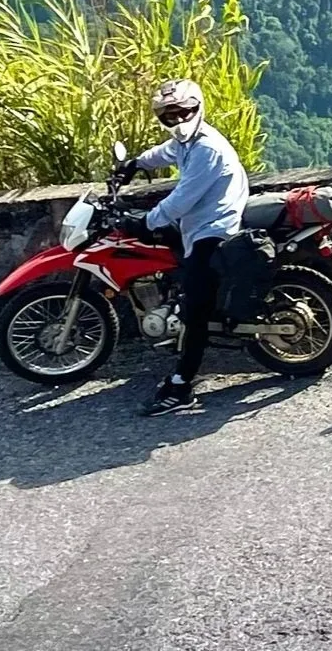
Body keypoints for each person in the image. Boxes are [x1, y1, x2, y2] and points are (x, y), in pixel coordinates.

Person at [125, 78, 250, 415]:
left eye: (184, 112)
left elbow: (181, 199)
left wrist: (145, 221)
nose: (178, 120)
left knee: (196, 307)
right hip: (197, 224)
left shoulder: (207, 148)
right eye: (169, 116)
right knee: (178, 273)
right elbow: (164, 152)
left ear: (197, 107)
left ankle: (182, 386)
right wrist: (135, 164)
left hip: (215, 227)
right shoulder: (187, 143)